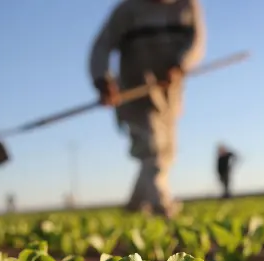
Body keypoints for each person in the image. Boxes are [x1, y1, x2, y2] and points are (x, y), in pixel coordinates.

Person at [88, 0, 206, 218]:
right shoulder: (128, 10)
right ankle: (162, 206)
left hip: (169, 95)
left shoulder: (187, 6)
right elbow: (101, 46)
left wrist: (181, 65)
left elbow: (196, 42)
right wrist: (102, 80)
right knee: (153, 149)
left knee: (166, 152)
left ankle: (134, 206)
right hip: (135, 93)